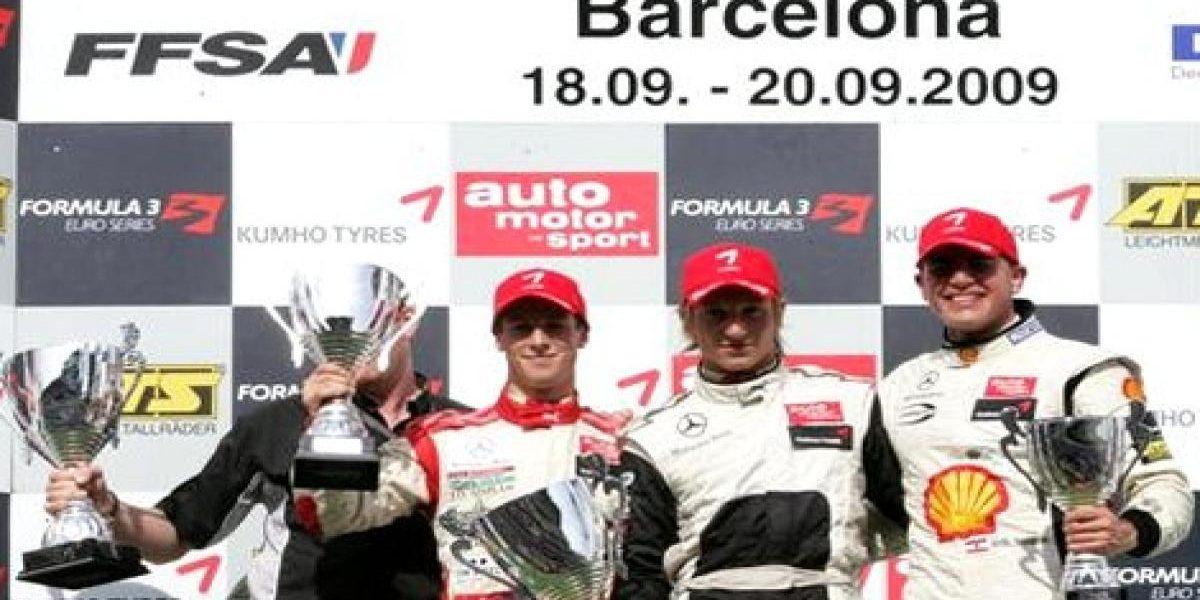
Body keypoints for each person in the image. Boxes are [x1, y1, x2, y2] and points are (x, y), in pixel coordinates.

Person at [875, 207, 1194, 598]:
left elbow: (1164, 485)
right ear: (921, 284)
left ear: (1016, 276)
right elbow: (886, 517)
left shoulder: (1081, 369)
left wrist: (1129, 531)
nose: (959, 279)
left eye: (979, 264)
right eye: (942, 268)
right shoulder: (898, 386)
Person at [45, 318, 467, 600]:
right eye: (337, 326)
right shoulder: (276, 424)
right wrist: (107, 509)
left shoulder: (466, 431)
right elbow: (176, 534)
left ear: (406, 320)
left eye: (370, 320)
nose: (356, 338)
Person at [296, 267, 626, 599]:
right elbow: (334, 515)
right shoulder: (442, 440)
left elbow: (647, 560)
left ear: (582, 335)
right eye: (521, 328)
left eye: (554, 327)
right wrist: (328, 427)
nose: (538, 341)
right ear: (500, 338)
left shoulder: (619, 441)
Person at [614, 242, 907, 599]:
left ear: (779, 312)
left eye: (752, 311)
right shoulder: (653, 438)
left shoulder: (853, 403)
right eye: (716, 314)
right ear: (687, 320)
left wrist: (847, 544)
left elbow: (915, 515)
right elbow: (642, 571)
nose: (735, 330)